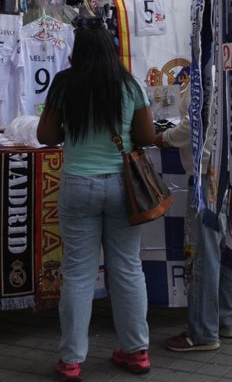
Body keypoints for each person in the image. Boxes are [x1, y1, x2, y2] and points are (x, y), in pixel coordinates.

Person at [37, 25, 157, 382]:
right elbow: (147, 136)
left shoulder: (64, 83)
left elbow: (45, 136)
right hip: (123, 187)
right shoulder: (130, 85)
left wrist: (70, 129)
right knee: (127, 269)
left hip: (78, 184)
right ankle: (135, 351)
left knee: (77, 273)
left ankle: (71, 360)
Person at [158, 94, 232, 352]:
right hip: (230, 170)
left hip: (209, 175)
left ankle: (203, 332)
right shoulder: (229, 67)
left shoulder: (208, 72)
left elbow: (196, 122)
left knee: (204, 256)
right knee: (228, 249)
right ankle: (226, 320)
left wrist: (164, 138)